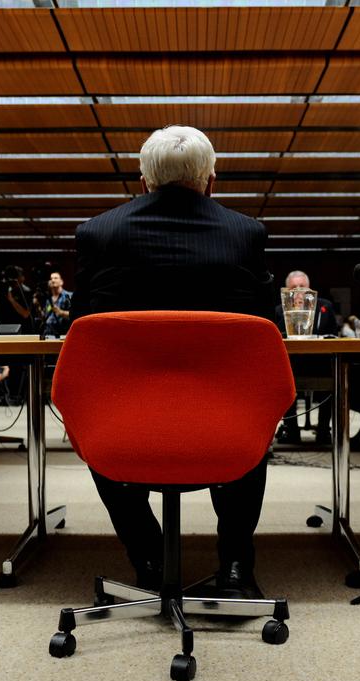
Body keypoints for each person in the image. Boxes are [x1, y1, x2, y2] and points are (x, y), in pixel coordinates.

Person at [73, 124, 275, 598]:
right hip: (224, 417)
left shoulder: (96, 233)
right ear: (211, 182)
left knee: (97, 422)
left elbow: (81, 330)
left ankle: (149, 559)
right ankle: (236, 567)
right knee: (249, 414)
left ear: (143, 182)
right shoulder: (246, 233)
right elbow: (268, 329)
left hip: (123, 417)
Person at [274, 270, 337, 445]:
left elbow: (334, 334)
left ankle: (324, 429)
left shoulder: (325, 306)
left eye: (302, 287)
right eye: (293, 288)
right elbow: (278, 336)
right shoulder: (279, 310)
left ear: (310, 288)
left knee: (332, 374)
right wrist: (293, 311)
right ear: (286, 291)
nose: (299, 292)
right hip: (291, 364)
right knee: (282, 378)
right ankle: (291, 429)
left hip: (320, 362)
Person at [42, 271, 73, 338]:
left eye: (55, 278)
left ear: (61, 282)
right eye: (51, 278)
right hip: (48, 333)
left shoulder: (68, 296)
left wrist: (60, 312)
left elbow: (74, 314)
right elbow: (44, 316)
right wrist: (37, 307)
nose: (53, 280)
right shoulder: (48, 298)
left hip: (62, 334)